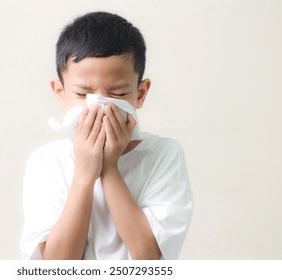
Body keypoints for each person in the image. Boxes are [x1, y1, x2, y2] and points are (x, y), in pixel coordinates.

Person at [20, 11, 193, 260]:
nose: (100, 106)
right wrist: (84, 175)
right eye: (83, 94)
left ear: (141, 94)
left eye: (118, 93)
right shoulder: (47, 160)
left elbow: (152, 260)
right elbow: (54, 265)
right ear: (60, 92)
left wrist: (109, 168)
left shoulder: (163, 155)